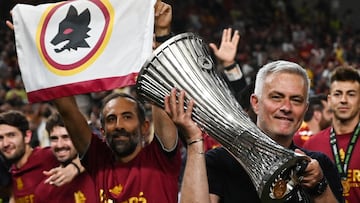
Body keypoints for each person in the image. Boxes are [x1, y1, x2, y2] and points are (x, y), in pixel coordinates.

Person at [52, 2, 183, 202]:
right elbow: (67, 109)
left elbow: (162, 94)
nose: (118, 125)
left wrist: (163, 32)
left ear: (145, 126)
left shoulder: (161, 158)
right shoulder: (99, 160)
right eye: (111, 119)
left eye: (127, 117)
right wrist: (41, 51)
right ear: (102, 130)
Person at [164, 60, 344, 203]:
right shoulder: (219, 162)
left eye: (296, 100)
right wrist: (195, 141)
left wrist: (319, 187)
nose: (286, 107)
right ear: (255, 103)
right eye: (276, 97)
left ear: (305, 110)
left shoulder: (318, 165)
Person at [303, 66, 360, 202]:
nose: (343, 100)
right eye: (337, 94)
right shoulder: (311, 144)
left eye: (351, 94)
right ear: (329, 100)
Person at [0, 110, 79, 202]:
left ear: (27, 136)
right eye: (0, 138)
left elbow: (92, 154)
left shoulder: (49, 156)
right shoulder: (12, 173)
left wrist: (75, 167)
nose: (5, 143)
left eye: (11, 135)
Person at [34, 112, 97, 203]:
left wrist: (76, 166)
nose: (60, 145)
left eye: (66, 137)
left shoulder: (101, 172)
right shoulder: (44, 190)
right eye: (54, 138)